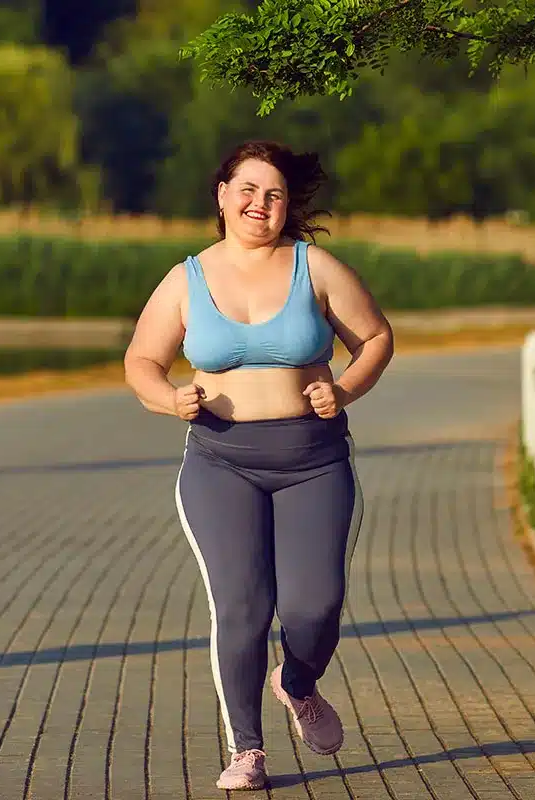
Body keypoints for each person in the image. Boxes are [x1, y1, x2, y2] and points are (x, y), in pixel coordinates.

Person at [123, 140, 394, 790]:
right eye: (246, 189)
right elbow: (141, 362)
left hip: (314, 461)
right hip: (221, 463)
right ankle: (247, 747)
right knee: (242, 608)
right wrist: (171, 399)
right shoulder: (186, 277)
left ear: (286, 205)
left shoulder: (316, 267)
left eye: (273, 194)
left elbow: (377, 337)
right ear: (221, 195)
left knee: (314, 606)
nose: (259, 204)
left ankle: (298, 683)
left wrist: (346, 389)